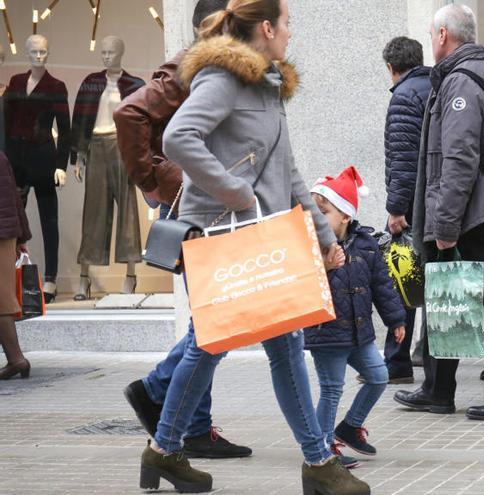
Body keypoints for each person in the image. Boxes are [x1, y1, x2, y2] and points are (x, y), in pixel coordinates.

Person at [138, 2, 368, 494]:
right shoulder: (223, 78)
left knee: (268, 347)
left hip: (263, 239)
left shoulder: (268, 86)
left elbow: (289, 172)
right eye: (286, 24)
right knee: (212, 347)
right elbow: (179, 138)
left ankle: (313, 462)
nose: (290, 33)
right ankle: (166, 451)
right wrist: (234, 191)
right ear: (266, 28)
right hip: (224, 237)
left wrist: (326, 238)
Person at [116, 0, 253, 461]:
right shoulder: (188, 66)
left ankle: (185, 419)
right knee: (216, 322)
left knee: (214, 320)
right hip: (197, 215)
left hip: (212, 212)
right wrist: (157, 178)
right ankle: (166, 401)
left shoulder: (217, 70)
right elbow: (129, 114)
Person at [395, 4, 484, 421]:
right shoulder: (482, 74)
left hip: (467, 209)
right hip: (470, 206)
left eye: (431, 33)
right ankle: (438, 389)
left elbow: (458, 157)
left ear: (442, 36)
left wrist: (445, 223)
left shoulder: (461, 82)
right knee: (447, 294)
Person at [305, 166, 406, 470]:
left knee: (379, 376)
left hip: (360, 334)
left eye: (323, 212)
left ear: (346, 216)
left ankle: (350, 427)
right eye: (313, 212)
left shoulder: (366, 244)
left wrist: (396, 319)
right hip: (327, 332)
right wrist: (324, 266)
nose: (316, 218)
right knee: (332, 388)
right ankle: (323, 448)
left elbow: (382, 285)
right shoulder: (309, 246)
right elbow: (302, 283)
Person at [380, 36, 431, 385]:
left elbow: (403, 159)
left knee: (402, 279)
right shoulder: (435, 87)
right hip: (441, 202)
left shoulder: (403, 97)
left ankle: (397, 363)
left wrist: (396, 209)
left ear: (391, 68)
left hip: (414, 206)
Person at [0, 151, 31, 380]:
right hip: (7, 233)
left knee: (2, 301)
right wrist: (21, 238)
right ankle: (16, 360)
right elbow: (14, 197)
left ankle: (17, 359)